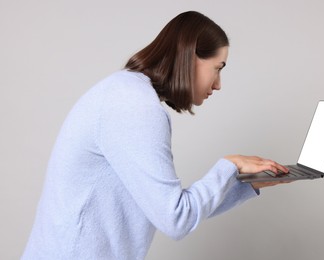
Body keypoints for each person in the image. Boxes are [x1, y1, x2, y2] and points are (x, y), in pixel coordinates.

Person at [22, 11, 290, 260]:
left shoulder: (126, 94)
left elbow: (165, 209)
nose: (218, 84)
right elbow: (176, 219)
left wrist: (245, 184)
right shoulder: (134, 106)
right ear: (191, 56)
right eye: (218, 68)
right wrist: (230, 165)